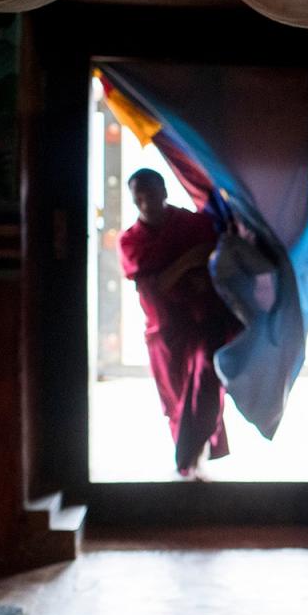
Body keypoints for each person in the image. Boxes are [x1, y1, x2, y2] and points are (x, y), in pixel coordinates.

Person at [118, 168, 237, 479]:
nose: (146, 203)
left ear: (165, 193)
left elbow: (214, 258)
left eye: (152, 195)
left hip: (203, 322)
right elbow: (156, 285)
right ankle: (191, 460)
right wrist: (188, 261)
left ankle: (189, 458)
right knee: (175, 399)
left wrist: (184, 269)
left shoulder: (191, 224)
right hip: (163, 329)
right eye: (139, 198)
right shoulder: (130, 240)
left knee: (207, 383)